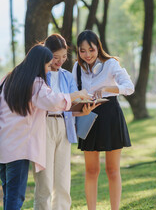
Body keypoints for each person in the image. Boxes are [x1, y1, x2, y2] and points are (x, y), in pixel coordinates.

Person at [0, 44, 91, 210]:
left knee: (9, 195)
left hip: (2, 145)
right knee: (15, 198)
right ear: (39, 64)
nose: (48, 70)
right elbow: (53, 101)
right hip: (18, 148)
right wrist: (78, 95)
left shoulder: (9, 78)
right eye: (47, 65)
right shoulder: (35, 83)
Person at [33, 34, 98, 210]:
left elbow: (70, 105)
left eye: (64, 57)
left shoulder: (67, 76)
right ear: (46, 54)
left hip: (64, 125)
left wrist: (82, 110)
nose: (60, 61)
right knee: (45, 180)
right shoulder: (38, 77)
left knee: (62, 179)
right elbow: (49, 101)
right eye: (55, 57)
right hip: (44, 126)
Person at [72, 30, 135, 210]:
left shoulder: (110, 64)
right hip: (87, 115)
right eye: (82, 51)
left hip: (110, 116)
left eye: (91, 50)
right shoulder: (77, 67)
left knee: (112, 170)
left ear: (98, 48)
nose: (87, 55)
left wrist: (110, 87)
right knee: (91, 170)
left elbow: (129, 87)